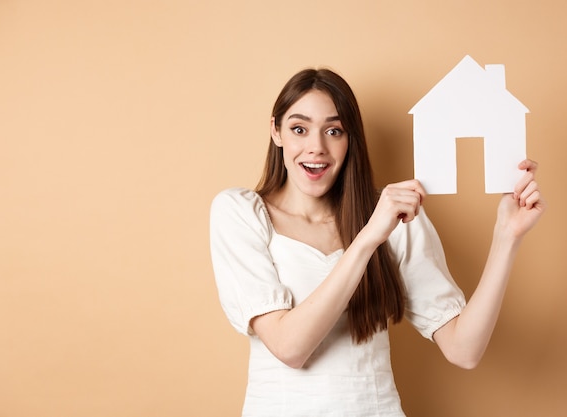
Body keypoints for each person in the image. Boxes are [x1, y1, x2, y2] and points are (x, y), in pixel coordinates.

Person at [210, 68, 545, 416]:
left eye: (333, 131)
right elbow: (290, 347)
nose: (316, 147)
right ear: (275, 131)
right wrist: (370, 235)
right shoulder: (240, 213)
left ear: (350, 139)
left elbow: (464, 350)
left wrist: (507, 235)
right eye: (299, 129)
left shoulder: (393, 217)